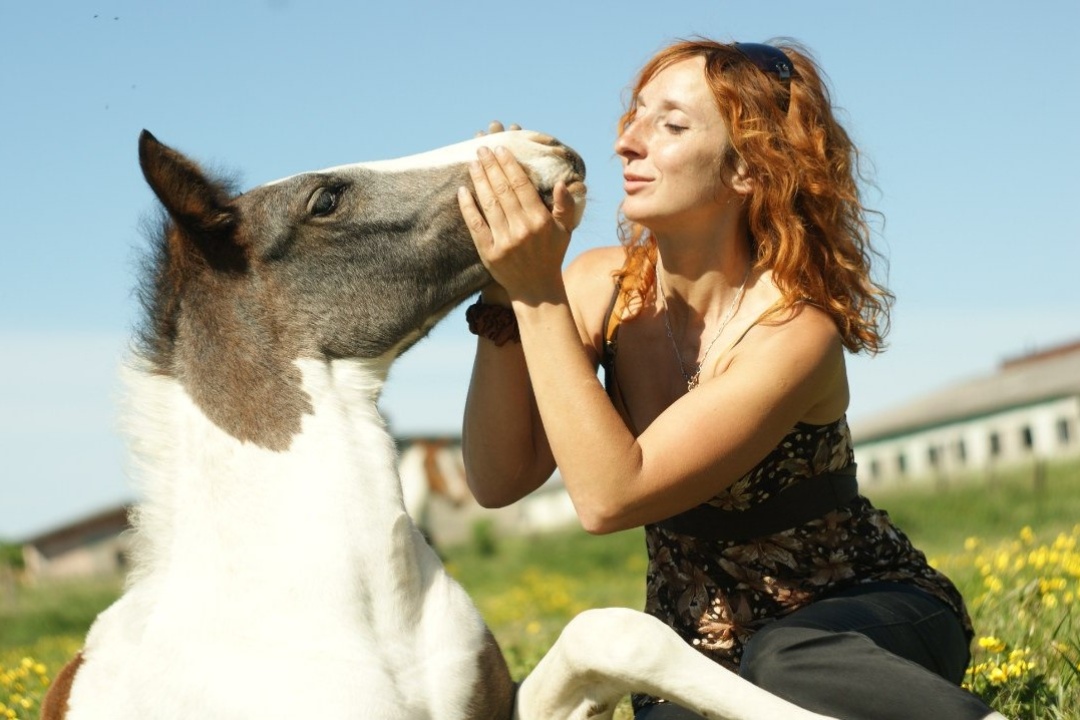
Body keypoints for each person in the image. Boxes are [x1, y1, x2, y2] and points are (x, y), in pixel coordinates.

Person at [456, 38, 1001, 720]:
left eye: (671, 125)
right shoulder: (603, 286)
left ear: (748, 168)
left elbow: (608, 497)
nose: (628, 143)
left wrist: (537, 290)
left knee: (782, 661)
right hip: (696, 653)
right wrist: (505, 290)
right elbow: (499, 478)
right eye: (634, 115)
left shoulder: (795, 326)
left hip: (858, 625)